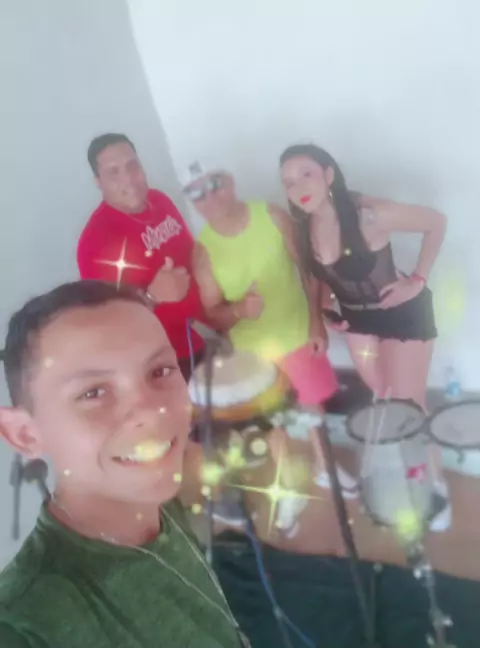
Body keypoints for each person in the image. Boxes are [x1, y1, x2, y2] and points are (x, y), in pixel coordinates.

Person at [0, 280, 248, 648]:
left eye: (160, 371)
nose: (151, 411)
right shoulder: (23, 623)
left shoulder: (157, 501)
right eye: (93, 392)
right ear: (25, 435)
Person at [279, 144, 450, 530]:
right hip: (357, 321)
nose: (298, 187)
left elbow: (436, 222)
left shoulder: (369, 213)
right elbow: (322, 278)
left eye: (306, 174)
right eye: (288, 182)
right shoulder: (305, 229)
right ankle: (406, 476)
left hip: (403, 316)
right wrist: (326, 311)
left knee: (409, 404)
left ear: (328, 175)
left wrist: (417, 279)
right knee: (384, 400)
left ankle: (434, 487)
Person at [183, 161, 357, 500]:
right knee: (271, 419)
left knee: (313, 405)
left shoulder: (272, 216)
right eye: (198, 193)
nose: (210, 197)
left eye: (215, 184)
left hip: (296, 332)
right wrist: (238, 310)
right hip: (252, 352)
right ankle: (286, 480)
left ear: (230, 181)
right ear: (193, 202)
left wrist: (316, 321)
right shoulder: (203, 252)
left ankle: (326, 466)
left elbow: (309, 270)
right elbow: (214, 315)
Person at [77, 133, 206, 381]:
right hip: (159, 364)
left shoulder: (159, 200)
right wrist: (152, 296)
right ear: (98, 182)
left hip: (200, 336)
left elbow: (193, 258)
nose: (128, 178)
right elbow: (108, 324)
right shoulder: (95, 242)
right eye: (114, 172)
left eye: (132, 165)